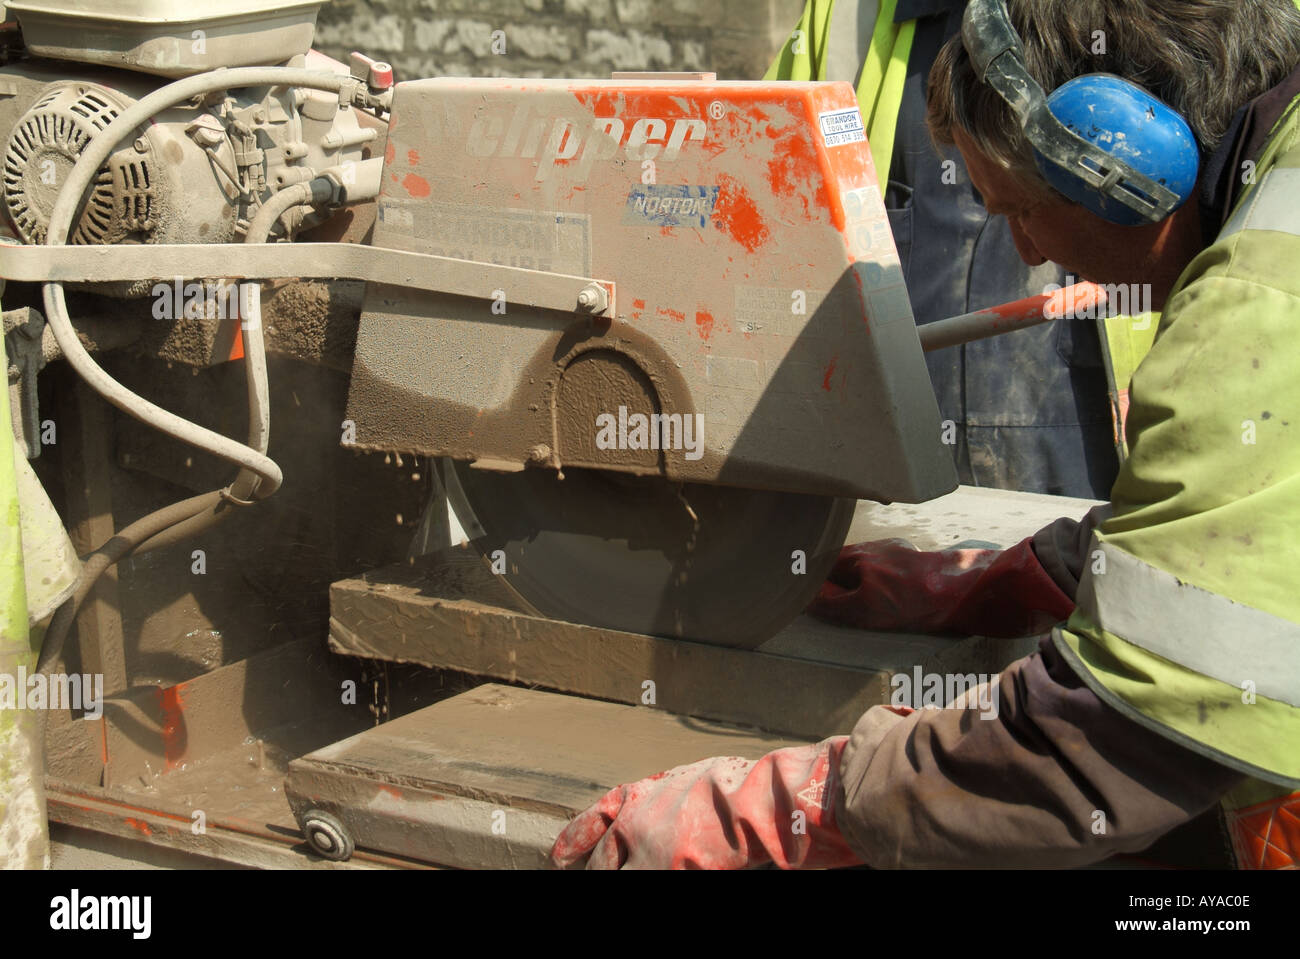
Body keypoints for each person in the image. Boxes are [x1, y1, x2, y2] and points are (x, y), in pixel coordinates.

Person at [550, 0, 1300, 870]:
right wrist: (1034, 574)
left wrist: (785, 809)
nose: (1027, 251)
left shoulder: (1260, 301)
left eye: (1019, 207)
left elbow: (1112, 738)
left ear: (1124, 157)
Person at [767, 0, 1123, 499]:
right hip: (887, 459)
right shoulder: (847, 14)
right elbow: (763, 189)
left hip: (1094, 441)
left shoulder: (1143, 18)